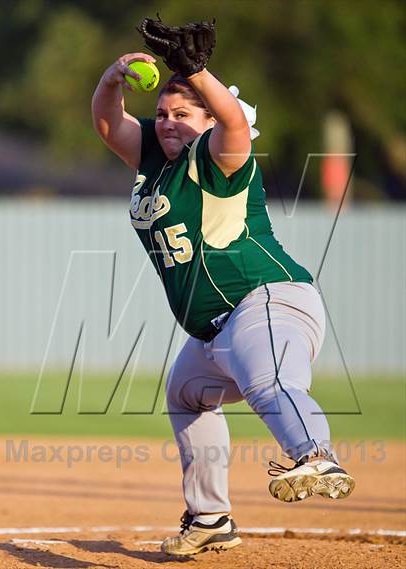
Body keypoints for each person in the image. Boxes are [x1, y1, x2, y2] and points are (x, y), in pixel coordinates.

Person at [92, 33, 355, 556]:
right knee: (187, 394)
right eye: (163, 112)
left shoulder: (218, 157)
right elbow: (107, 124)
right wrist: (111, 77)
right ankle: (210, 517)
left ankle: (316, 454)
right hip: (216, 329)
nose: (168, 121)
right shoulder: (155, 159)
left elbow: (234, 123)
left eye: (183, 113)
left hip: (268, 300)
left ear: (207, 119)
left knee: (270, 380)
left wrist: (198, 73)